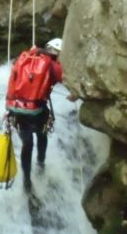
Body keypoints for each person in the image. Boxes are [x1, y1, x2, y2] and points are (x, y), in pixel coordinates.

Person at [5, 37, 75, 191]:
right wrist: (75, 94)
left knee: (27, 143)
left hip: (16, 109)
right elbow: (68, 80)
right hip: (37, 110)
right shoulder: (53, 65)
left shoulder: (25, 57)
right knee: (42, 136)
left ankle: (26, 180)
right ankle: (41, 164)